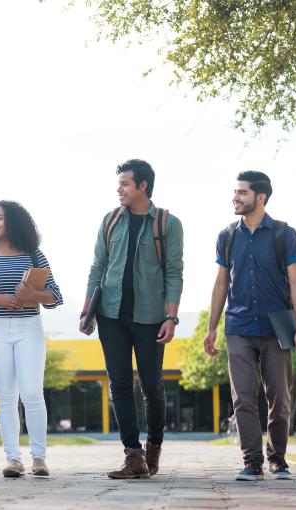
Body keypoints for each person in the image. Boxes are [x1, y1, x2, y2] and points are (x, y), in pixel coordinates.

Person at [80, 159, 184, 480]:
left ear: (143, 186)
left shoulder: (167, 223)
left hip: (151, 317)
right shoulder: (110, 221)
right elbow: (98, 267)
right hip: (111, 315)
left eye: (125, 183)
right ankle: (133, 455)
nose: (119, 189)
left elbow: (174, 272)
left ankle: (153, 448)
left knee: (152, 386)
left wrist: (171, 317)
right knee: (120, 384)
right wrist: (87, 311)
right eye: (119, 183)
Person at [203, 171, 296, 481]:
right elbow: (221, 283)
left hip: (277, 327)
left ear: (260, 197)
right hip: (238, 326)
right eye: (235, 193)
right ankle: (251, 461)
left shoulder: (283, 234)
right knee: (243, 398)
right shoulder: (227, 236)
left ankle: (277, 458)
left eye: (242, 193)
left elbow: (295, 282)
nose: (235, 198)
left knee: (279, 397)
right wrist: (211, 328)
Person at [0, 200, 63, 478]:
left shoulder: (34, 256)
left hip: (29, 328)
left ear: (14, 223)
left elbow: (56, 296)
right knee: (6, 397)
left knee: (32, 392)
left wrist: (34, 297)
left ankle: (39, 458)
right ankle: (13, 459)